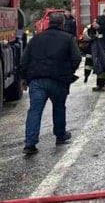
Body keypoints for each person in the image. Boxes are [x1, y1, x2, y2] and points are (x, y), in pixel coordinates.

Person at [18, 12, 81, 155]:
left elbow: (24, 59)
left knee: (35, 111)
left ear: (48, 23)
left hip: (37, 80)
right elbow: (76, 58)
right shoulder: (68, 39)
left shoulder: (36, 39)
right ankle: (60, 135)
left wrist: (24, 78)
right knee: (59, 107)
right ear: (62, 23)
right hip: (59, 80)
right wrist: (68, 72)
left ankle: (30, 143)